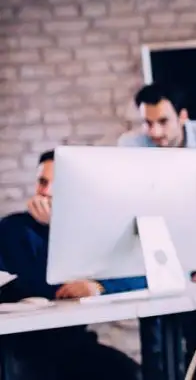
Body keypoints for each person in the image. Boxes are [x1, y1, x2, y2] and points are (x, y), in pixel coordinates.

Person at [0, 150, 142, 380]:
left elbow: (138, 277)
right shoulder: (11, 229)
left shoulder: (85, 232)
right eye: (42, 182)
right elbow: (38, 284)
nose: (46, 191)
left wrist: (97, 286)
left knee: (132, 374)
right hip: (20, 349)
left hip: (71, 346)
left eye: (56, 185)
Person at [117, 83, 196, 380]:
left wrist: (192, 268)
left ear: (183, 116)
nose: (154, 132)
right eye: (147, 122)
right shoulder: (130, 146)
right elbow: (130, 208)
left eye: (163, 121)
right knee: (156, 350)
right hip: (153, 258)